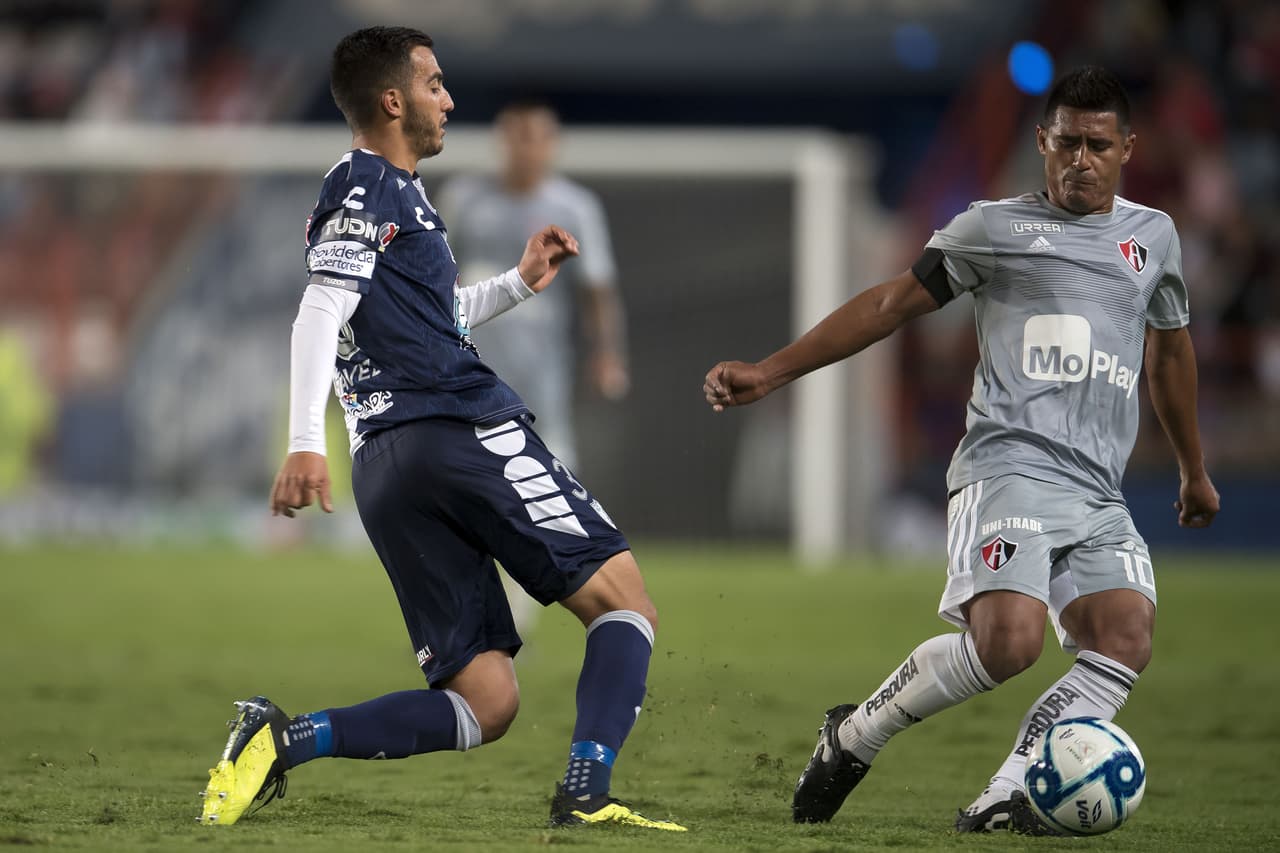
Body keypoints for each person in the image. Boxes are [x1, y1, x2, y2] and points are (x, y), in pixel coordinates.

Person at [703, 65, 1219, 832]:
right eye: (1067, 143)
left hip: (1098, 491)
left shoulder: (1154, 238)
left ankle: (1008, 793)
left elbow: (1169, 355)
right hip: (1008, 469)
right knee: (1008, 644)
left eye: (1098, 145)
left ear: (1127, 149)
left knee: (1125, 634)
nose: (1080, 159)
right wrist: (772, 371)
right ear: (1042, 142)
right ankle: (852, 736)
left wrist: (1192, 468)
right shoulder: (994, 228)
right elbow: (888, 303)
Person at [198, 26, 684, 833]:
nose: (449, 99)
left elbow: (429, 315)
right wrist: (301, 440)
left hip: (389, 465)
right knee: (625, 601)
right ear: (393, 100)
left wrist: (520, 283)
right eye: (434, 83)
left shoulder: (379, 194)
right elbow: (320, 307)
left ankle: (282, 739)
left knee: (484, 700)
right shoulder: (372, 186)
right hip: (458, 426)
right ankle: (587, 793)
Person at [436, 98, 629, 473]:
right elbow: (437, 272)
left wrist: (608, 353)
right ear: (501, 139)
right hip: (471, 357)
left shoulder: (575, 207)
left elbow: (597, 289)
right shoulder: (464, 199)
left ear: (552, 143)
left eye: (535, 137)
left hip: (541, 359)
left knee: (549, 454)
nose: (526, 147)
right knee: (464, 459)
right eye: (517, 135)